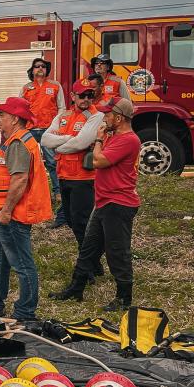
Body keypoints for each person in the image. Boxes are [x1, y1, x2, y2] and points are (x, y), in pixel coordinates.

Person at [50, 98, 141, 311]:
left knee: (117, 251)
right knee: (89, 248)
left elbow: (97, 161)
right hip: (105, 201)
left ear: (119, 118)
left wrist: (98, 141)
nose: (103, 117)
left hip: (118, 203)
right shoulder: (114, 136)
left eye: (108, 114)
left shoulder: (128, 139)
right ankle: (76, 287)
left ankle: (124, 297)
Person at [0, 97, 52, 321]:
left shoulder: (18, 143)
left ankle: (25, 310)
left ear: (15, 118)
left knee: (21, 263)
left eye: (2, 115)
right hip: (2, 213)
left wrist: (7, 211)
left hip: (11, 215)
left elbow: (19, 180)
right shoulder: (14, 140)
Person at [41, 80, 102, 251]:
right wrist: (69, 139)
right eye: (82, 95)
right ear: (73, 96)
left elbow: (81, 143)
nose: (87, 99)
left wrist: (59, 143)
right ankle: (91, 260)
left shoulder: (96, 116)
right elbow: (45, 140)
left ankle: (89, 264)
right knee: (70, 220)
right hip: (63, 175)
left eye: (90, 95)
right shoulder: (63, 115)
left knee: (82, 222)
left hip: (84, 178)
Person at [21, 58, 67, 229]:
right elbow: (21, 108)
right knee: (28, 163)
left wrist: (56, 124)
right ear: (32, 70)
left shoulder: (55, 86)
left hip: (48, 130)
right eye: (36, 66)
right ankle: (29, 193)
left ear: (47, 70)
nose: (40, 69)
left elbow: (61, 107)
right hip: (31, 129)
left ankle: (57, 192)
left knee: (52, 162)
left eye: (43, 66)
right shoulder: (26, 88)